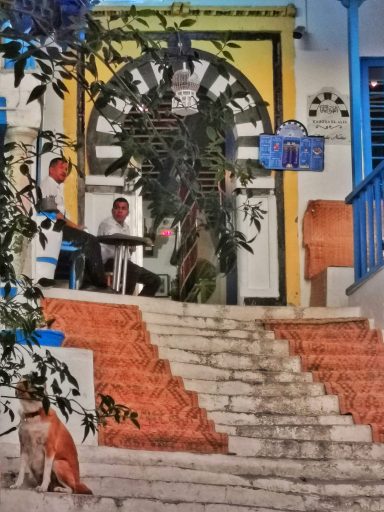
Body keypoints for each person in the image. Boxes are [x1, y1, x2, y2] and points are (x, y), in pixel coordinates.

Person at [40, 157, 107, 289]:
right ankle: (100, 284)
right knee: (90, 241)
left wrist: (77, 227)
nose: (64, 171)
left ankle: (88, 282)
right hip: (54, 228)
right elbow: (54, 214)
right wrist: (76, 227)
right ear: (51, 169)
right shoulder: (48, 184)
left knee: (87, 242)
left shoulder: (56, 186)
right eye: (61, 167)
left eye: (66, 169)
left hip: (58, 227)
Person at [98, 197, 161, 296]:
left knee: (155, 280)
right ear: (112, 211)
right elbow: (117, 238)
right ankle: (125, 302)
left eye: (123, 208)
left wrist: (132, 246)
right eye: (117, 208)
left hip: (124, 263)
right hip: (109, 263)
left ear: (128, 212)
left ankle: (138, 304)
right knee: (133, 271)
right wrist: (141, 240)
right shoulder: (107, 224)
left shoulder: (126, 227)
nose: (120, 211)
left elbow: (129, 247)